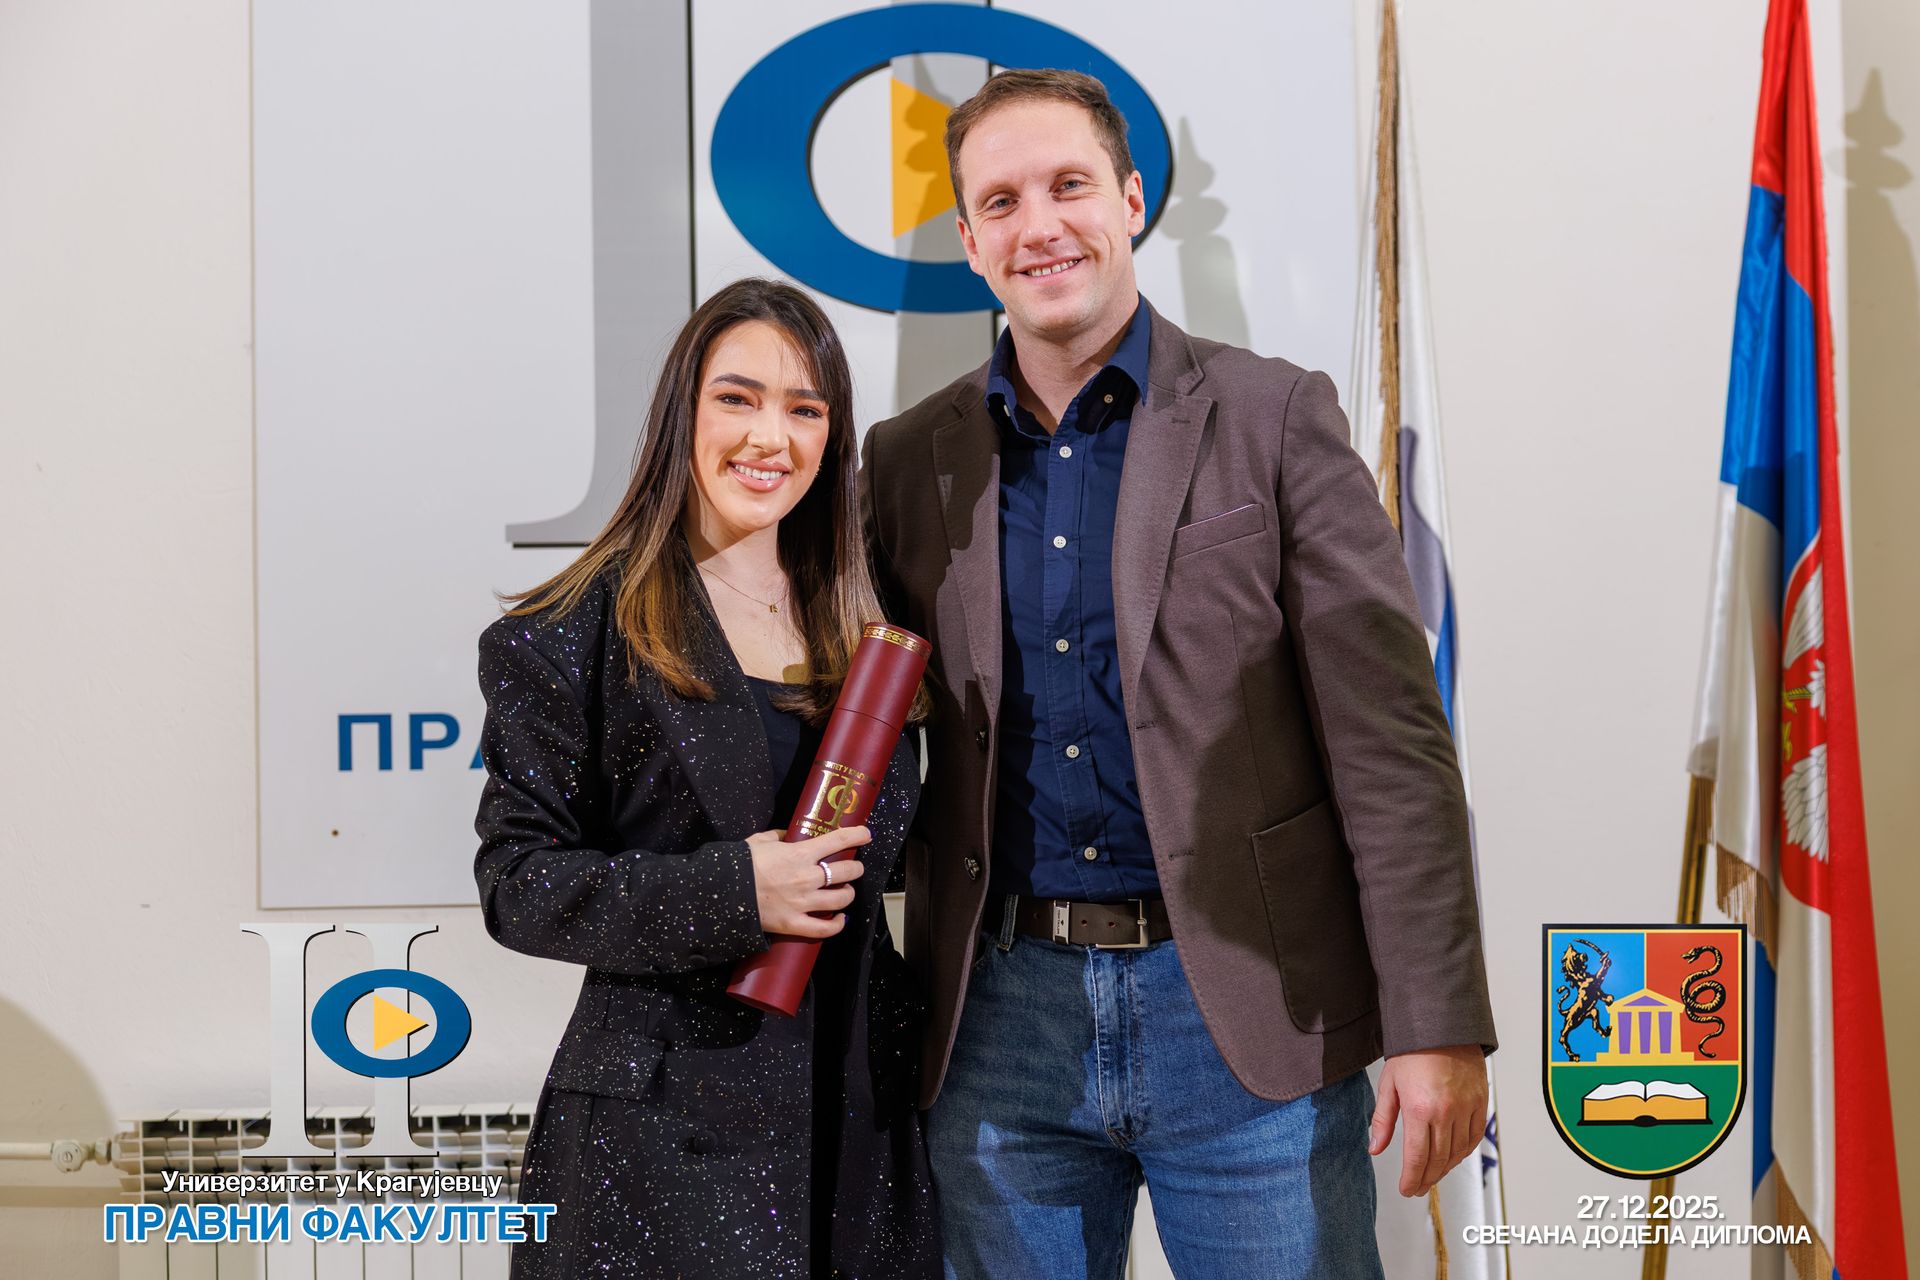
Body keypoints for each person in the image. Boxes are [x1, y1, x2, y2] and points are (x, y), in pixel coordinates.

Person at [859, 70, 1498, 1278]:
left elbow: (1393, 750)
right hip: (998, 1026)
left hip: (1248, 1014)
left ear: (1131, 200)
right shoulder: (903, 463)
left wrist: (1436, 1021)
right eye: (1001, 201)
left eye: (1069, 185)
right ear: (971, 243)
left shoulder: (1274, 416)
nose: (1039, 225)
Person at [475, 277, 938, 1280]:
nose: (770, 436)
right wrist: (735, 891)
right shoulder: (566, 633)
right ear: (680, 413)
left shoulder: (865, 626)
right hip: (659, 1146)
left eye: (805, 409)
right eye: (738, 398)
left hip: (862, 1130)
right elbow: (519, 887)